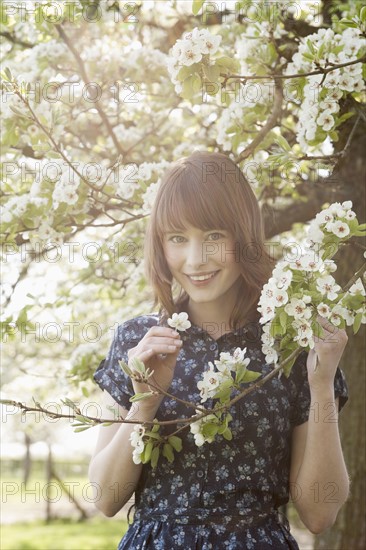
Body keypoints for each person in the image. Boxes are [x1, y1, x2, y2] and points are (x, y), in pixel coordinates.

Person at [88, 151, 350, 550]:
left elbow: (319, 513)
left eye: (213, 236)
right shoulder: (138, 340)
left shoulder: (290, 343)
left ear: (242, 236)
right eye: (178, 238)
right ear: (161, 244)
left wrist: (321, 382)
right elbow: (105, 498)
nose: (196, 260)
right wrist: (145, 403)